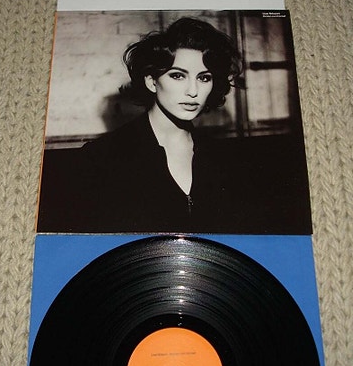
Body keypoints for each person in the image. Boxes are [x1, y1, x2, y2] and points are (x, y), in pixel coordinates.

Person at [38, 17, 249, 233]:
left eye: (204, 78)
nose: (193, 91)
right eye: (178, 76)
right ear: (151, 81)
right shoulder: (103, 156)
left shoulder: (221, 156)